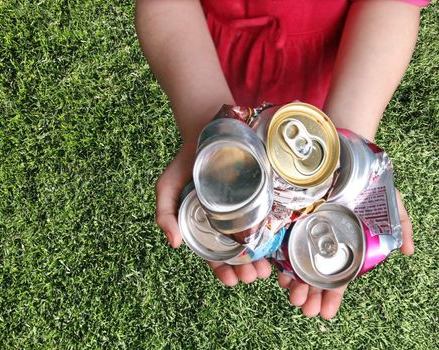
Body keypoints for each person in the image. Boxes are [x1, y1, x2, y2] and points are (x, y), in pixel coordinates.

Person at [135, 0, 427, 320]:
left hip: (344, 60)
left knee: (301, 132)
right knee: (276, 131)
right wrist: (206, 126)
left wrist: (347, 148)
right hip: (204, 55)